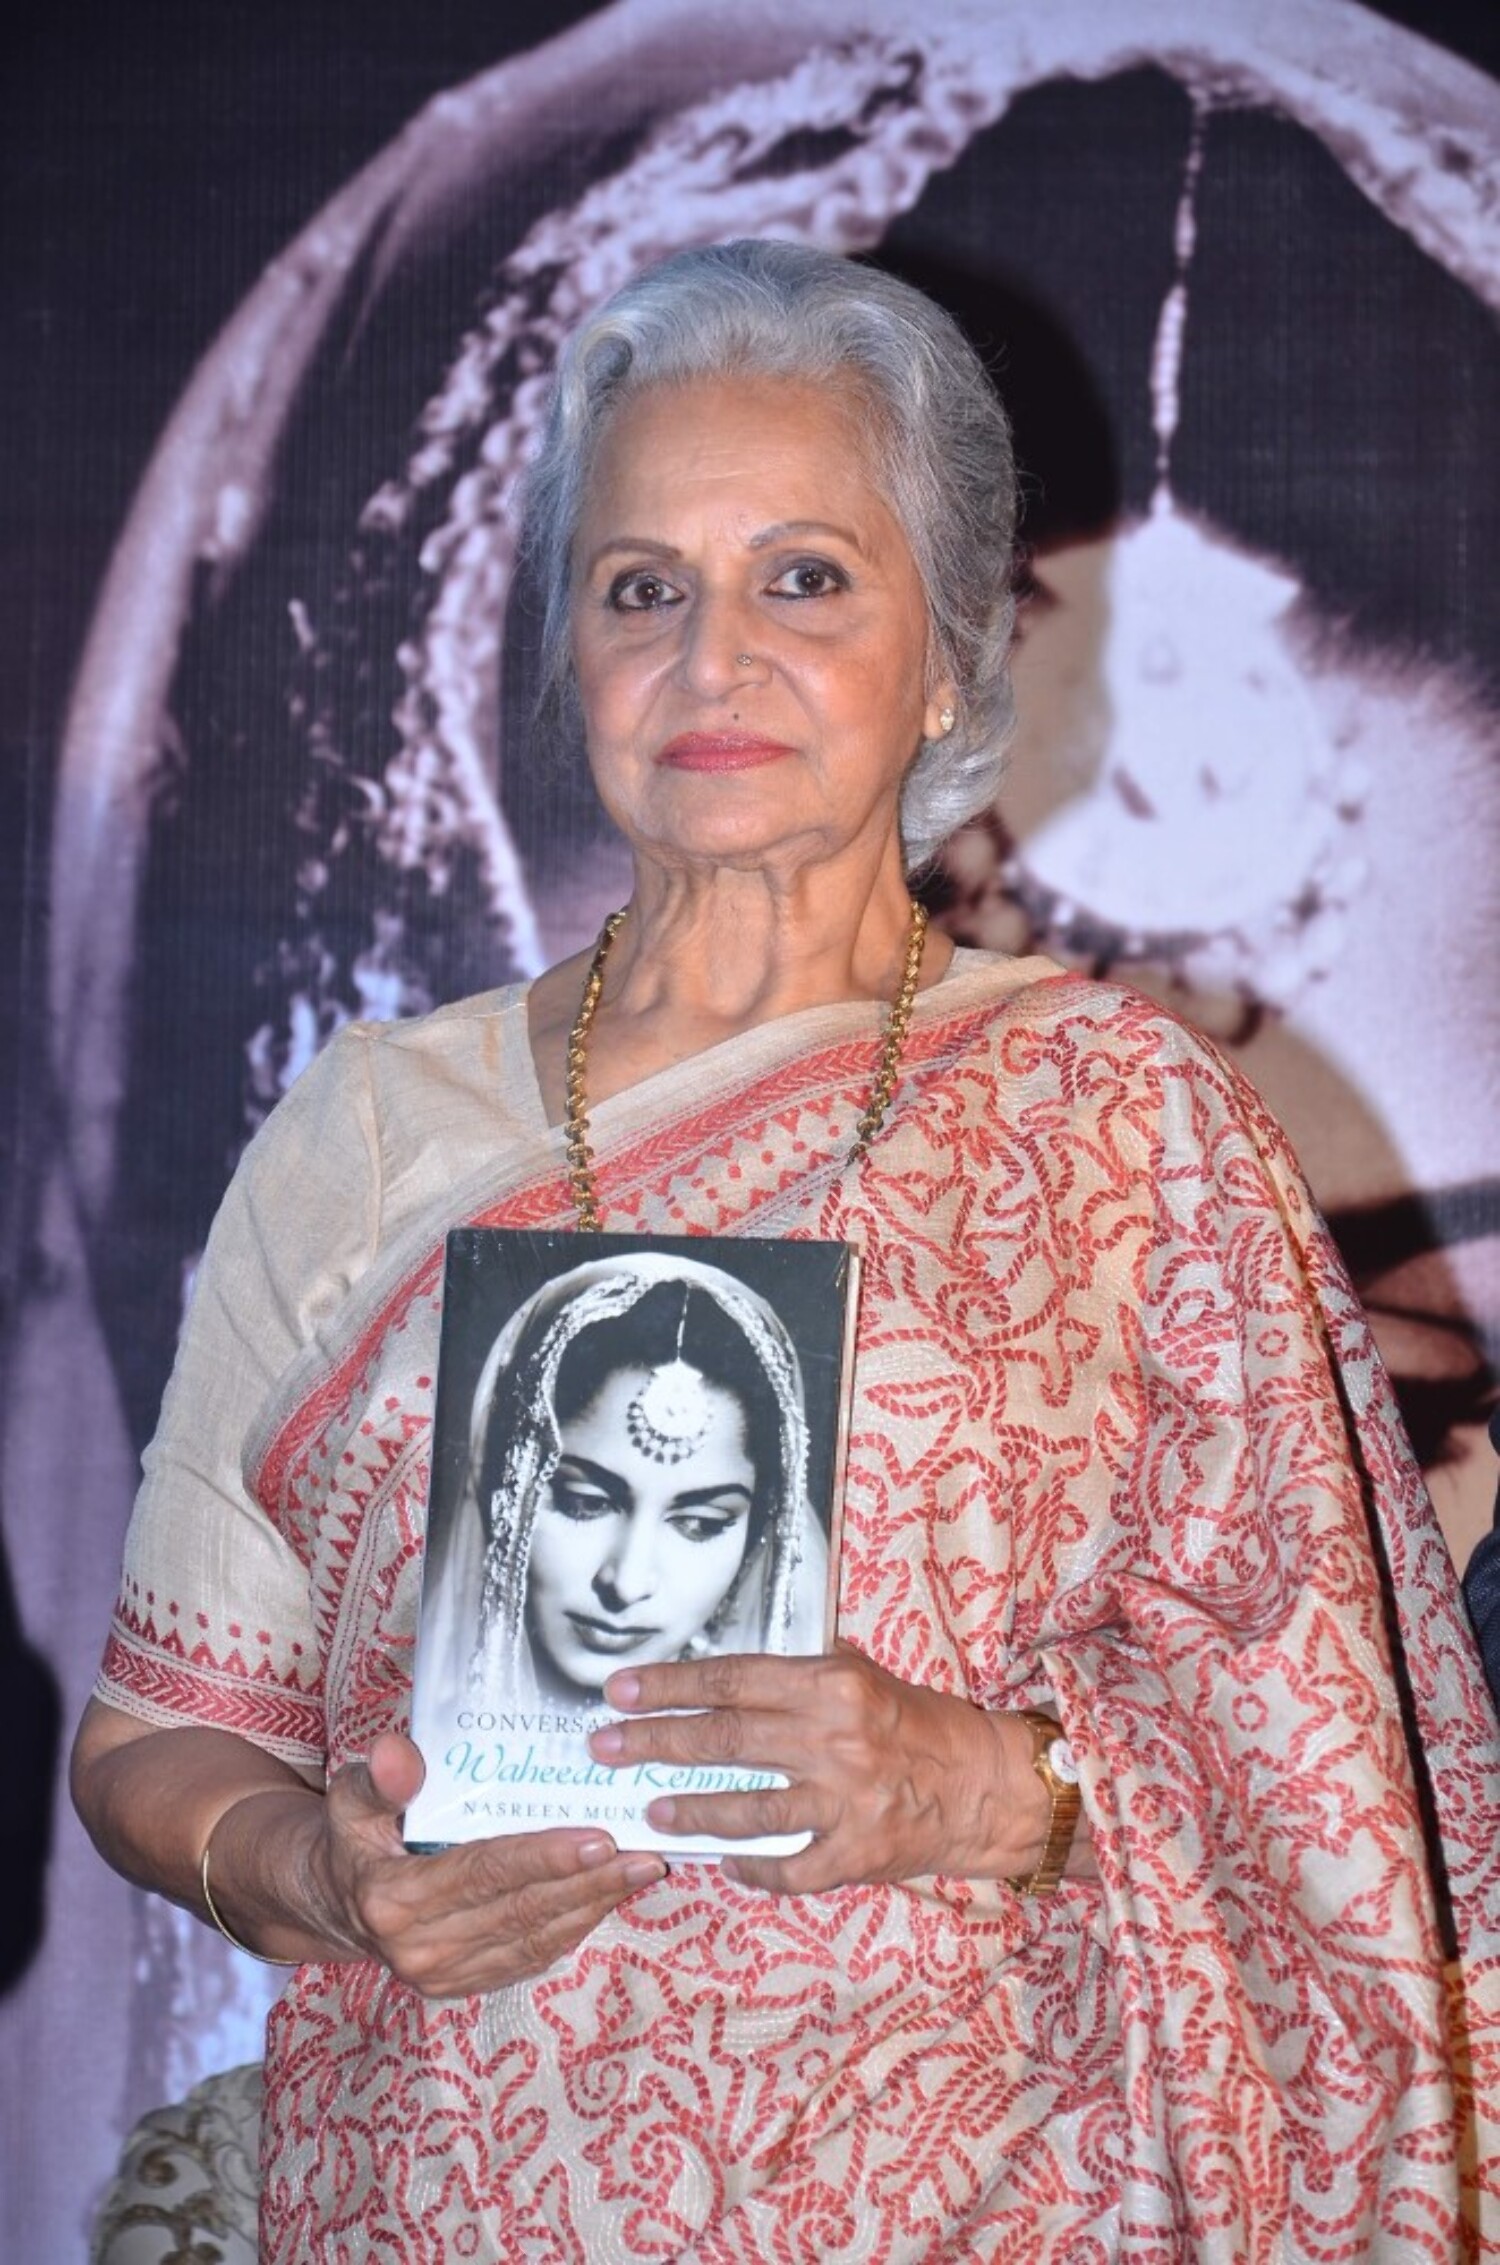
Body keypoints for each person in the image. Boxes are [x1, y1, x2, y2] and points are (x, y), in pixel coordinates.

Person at [72, 240, 1500, 2258]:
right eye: (640, 586)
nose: (710, 659)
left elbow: (1339, 1801)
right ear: (571, 651)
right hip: (444, 2199)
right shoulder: (374, 1124)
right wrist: (303, 1864)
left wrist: (998, 1788)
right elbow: (155, 1738)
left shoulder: (1128, 1120)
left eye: (804, 579)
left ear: (947, 658)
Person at [415, 1251, 829, 1722]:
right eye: (584, 1503)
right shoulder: (421, 1718)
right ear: (505, 1487)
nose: (627, 1584)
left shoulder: (795, 1757)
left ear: (761, 1529)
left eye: (699, 1524)